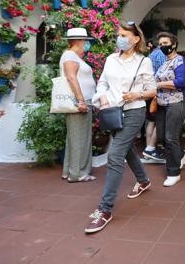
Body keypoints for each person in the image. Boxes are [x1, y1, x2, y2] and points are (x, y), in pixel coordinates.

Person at [85, 21, 156, 234]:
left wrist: (137, 94)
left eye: (125, 35)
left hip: (134, 110)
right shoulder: (110, 59)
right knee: (127, 149)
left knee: (115, 155)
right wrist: (103, 99)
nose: (120, 38)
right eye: (119, 34)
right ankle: (143, 181)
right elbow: (103, 83)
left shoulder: (143, 61)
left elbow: (152, 90)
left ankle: (105, 210)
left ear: (136, 39)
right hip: (112, 111)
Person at [148, 31, 185, 187]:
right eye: (161, 44)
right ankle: (181, 154)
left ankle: (173, 172)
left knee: (171, 137)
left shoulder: (180, 61)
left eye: (165, 44)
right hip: (162, 103)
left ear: (174, 44)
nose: (163, 46)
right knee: (163, 138)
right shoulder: (164, 63)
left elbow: (179, 82)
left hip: (176, 102)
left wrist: (158, 84)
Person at [59, 28, 97, 183]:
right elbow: (71, 77)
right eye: (85, 40)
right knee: (80, 138)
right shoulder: (69, 55)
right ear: (78, 41)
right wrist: (81, 100)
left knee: (75, 137)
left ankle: (69, 171)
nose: (87, 43)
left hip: (81, 100)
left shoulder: (73, 56)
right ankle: (78, 174)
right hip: (79, 101)